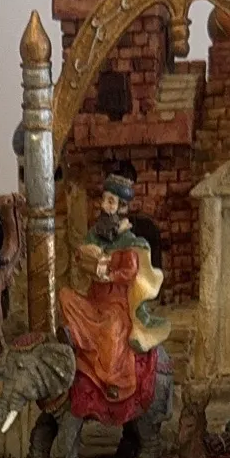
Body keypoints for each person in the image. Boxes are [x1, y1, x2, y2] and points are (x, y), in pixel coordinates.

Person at [58, 175, 164, 419]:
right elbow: (83, 257)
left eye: (111, 202)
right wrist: (84, 258)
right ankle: (77, 338)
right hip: (94, 299)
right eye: (104, 200)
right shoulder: (95, 235)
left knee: (113, 328)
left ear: (122, 208)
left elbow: (130, 271)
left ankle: (115, 380)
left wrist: (109, 274)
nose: (105, 206)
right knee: (65, 296)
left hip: (116, 303)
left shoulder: (130, 241)